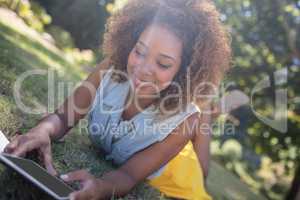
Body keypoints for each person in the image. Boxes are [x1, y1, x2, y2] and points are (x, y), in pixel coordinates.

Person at [4, 0, 231, 199]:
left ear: (184, 73)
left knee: (199, 171)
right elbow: (63, 117)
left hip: (178, 171)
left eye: (163, 64)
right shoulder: (110, 70)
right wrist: (43, 130)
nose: (142, 69)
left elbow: (129, 175)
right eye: (139, 51)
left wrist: (102, 187)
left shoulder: (184, 122)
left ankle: (207, 117)